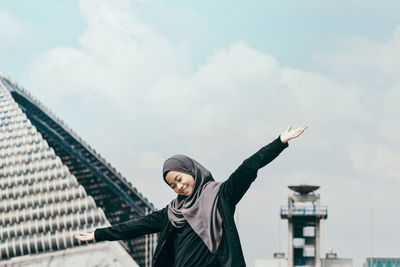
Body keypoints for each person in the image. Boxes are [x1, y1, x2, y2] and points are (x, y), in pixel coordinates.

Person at [75, 125, 308, 267]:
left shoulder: (221, 196)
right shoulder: (172, 213)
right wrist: (98, 234)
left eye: (179, 179)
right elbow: (136, 226)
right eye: (171, 185)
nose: (178, 187)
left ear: (191, 171)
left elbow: (248, 168)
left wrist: (280, 142)